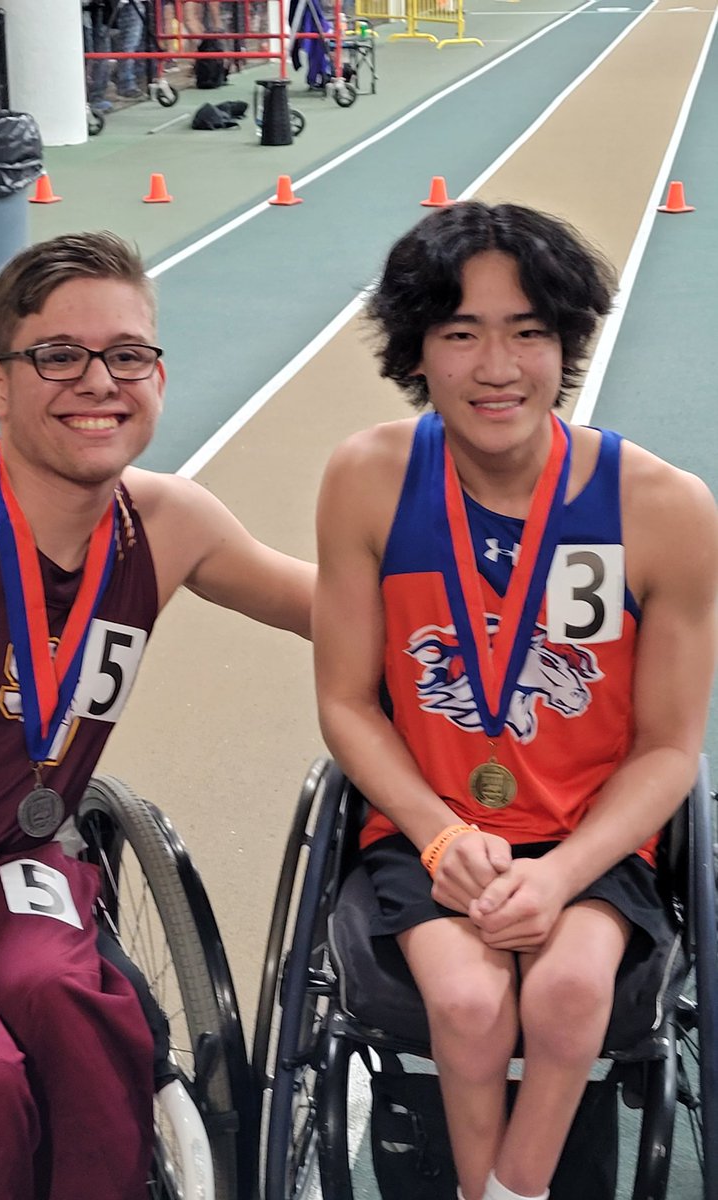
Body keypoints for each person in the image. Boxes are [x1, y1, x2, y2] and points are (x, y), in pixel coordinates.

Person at [0, 230, 313, 1200]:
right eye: (59, 356)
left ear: (157, 377)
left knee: (87, 1028)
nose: (100, 381)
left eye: (128, 355)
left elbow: (348, 616)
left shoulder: (171, 524)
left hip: (18, 861)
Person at [312, 201, 717, 1200]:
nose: (497, 366)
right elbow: (348, 704)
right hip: (426, 827)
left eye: (528, 332)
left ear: (567, 345)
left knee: (576, 986)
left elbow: (670, 748)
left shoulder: (663, 509)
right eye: (461, 334)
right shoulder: (368, 480)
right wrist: (443, 838)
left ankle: (514, 1190)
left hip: (594, 832)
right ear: (419, 352)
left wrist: (567, 868)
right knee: (465, 999)